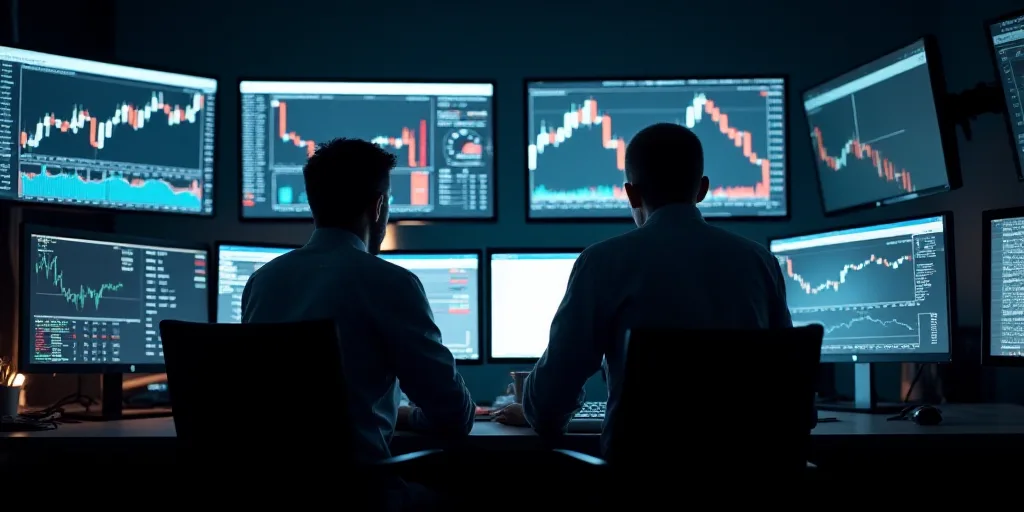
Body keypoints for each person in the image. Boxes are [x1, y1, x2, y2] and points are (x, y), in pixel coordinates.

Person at [492, 123, 793, 455]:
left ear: (631, 193)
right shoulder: (761, 263)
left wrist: (533, 411)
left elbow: (549, 403)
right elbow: (793, 396)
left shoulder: (602, 263)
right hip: (750, 478)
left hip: (639, 480)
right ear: (702, 189)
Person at [241, 138, 475, 463]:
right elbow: (455, 416)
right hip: (364, 489)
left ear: (313, 204)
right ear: (378, 207)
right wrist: (409, 415)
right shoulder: (393, 284)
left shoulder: (262, 282)